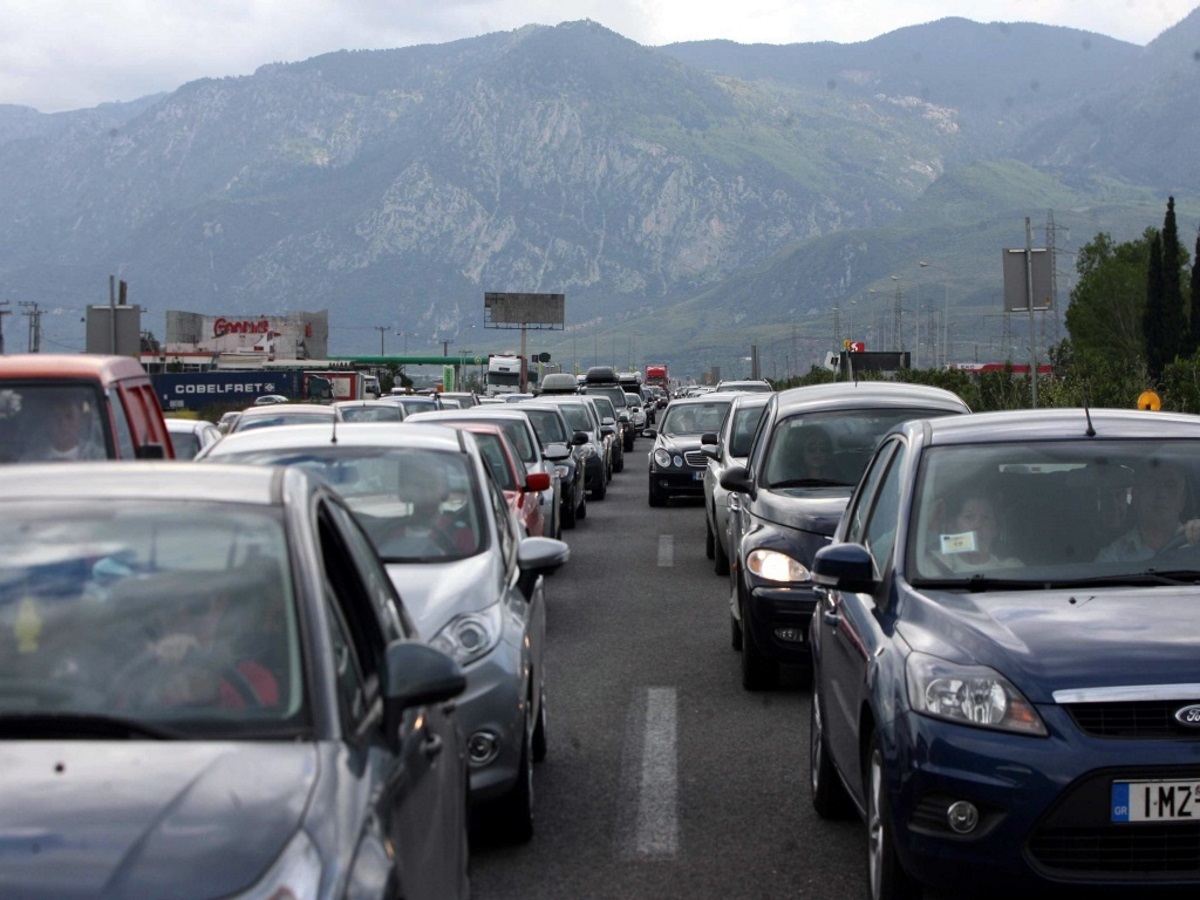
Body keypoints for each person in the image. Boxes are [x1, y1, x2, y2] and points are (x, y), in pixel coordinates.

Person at [141, 586, 280, 709]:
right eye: (170, 607)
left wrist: (207, 678)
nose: (182, 617)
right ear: (160, 618)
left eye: (196, 605)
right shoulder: (140, 682)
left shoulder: (253, 679)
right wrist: (156, 684)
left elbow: (254, 731)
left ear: (220, 605)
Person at [1096, 460, 1200, 561]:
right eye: (1152, 484)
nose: (1161, 494)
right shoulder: (1113, 557)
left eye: (1170, 485)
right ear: (1136, 496)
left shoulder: (1197, 543)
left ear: (1182, 500)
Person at [934, 491, 1021, 571]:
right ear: (953, 525)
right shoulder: (934, 563)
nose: (978, 525)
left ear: (995, 529)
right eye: (969, 517)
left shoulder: (1011, 568)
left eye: (986, 518)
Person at [22, 392, 106, 461]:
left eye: (69, 416)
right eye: (57, 417)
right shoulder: (32, 461)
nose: (63, 423)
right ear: (48, 422)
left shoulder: (99, 459)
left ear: (80, 421)